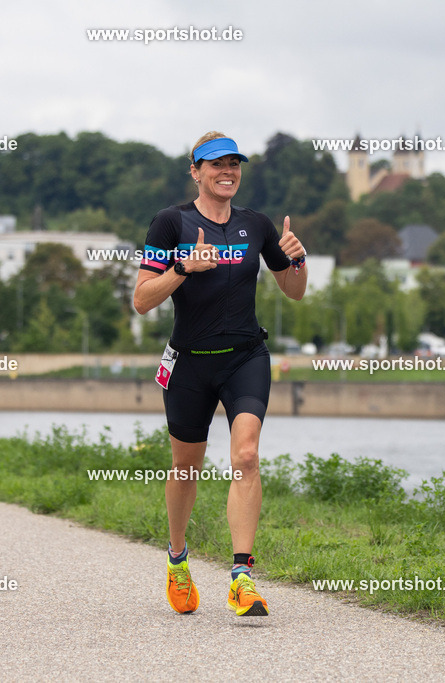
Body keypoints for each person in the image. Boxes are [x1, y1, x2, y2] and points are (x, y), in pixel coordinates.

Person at [133, 132, 307, 617]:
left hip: (245, 356)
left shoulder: (257, 224)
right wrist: (183, 269)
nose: (226, 171)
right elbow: (142, 300)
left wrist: (297, 258)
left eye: (234, 164)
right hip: (189, 360)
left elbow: (293, 290)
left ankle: (241, 576)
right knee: (186, 466)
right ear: (196, 171)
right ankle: (177, 559)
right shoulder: (172, 222)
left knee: (246, 456)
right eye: (216, 164)